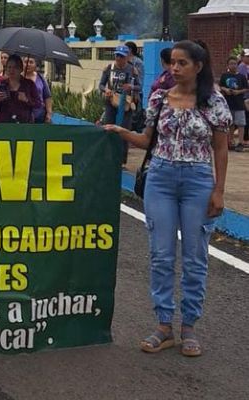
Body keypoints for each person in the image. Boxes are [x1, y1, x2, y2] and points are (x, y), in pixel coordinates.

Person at [104, 40, 231, 357]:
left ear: (198, 67)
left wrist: (219, 190)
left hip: (198, 181)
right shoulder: (160, 97)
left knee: (194, 256)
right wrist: (118, 131)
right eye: (172, 62)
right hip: (160, 178)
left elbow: (220, 148)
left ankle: (189, 325)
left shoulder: (213, 102)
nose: (174, 68)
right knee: (161, 254)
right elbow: (146, 140)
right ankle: (164, 325)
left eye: (182, 63)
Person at [98, 44, 141, 165]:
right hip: (111, 101)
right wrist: (105, 90)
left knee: (124, 131)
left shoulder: (132, 70)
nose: (118, 58)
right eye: (117, 55)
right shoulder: (109, 68)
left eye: (121, 56)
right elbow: (101, 84)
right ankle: (107, 157)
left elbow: (139, 86)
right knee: (108, 128)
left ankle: (122, 160)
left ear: (127, 57)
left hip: (126, 103)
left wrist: (131, 86)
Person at [0, 54, 40, 123]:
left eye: (15, 67)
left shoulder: (29, 84)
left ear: (21, 69)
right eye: (9, 67)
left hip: (23, 124)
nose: (11, 70)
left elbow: (38, 104)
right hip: (3, 123)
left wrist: (27, 100)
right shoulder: (1, 83)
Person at [219, 56, 249, 151]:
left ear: (237, 64)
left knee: (241, 123)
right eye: (231, 63)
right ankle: (230, 141)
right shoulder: (224, 76)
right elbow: (220, 86)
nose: (233, 65)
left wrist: (238, 92)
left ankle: (240, 142)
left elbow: (246, 88)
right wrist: (226, 89)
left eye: (235, 63)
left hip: (239, 103)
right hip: (228, 103)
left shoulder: (241, 76)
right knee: (230, 124)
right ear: (228, 65)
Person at [23, 56, 53, 123]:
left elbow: (47, 96)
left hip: (39, 116)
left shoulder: (41, 79)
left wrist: (49, 113)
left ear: (35, 65)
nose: (28, 64)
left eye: (31, 62)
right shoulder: (18, 78)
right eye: (26, 62)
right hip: (22, 116)